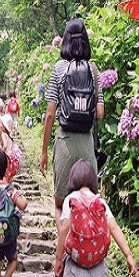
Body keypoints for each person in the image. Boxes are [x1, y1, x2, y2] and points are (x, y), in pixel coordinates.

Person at [40, 18, 104, 234]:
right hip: (86, 142)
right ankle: (86, 245)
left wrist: (44, 152)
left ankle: (63, 250)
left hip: (65, 141)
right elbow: (101, 114)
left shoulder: (58, 69)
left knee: (60, 203)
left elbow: (50, 114)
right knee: (89, 201)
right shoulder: (94, 71)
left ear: (65, 41)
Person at [0, 114, 21, 183]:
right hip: (11, 160)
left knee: (4, 179)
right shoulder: (9, 137)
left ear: (3, 125)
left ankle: (4, 193)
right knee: (9, 181)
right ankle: (10, 193)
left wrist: (0, 154)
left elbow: (5, 146)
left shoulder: (3, 135)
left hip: (6, 160)